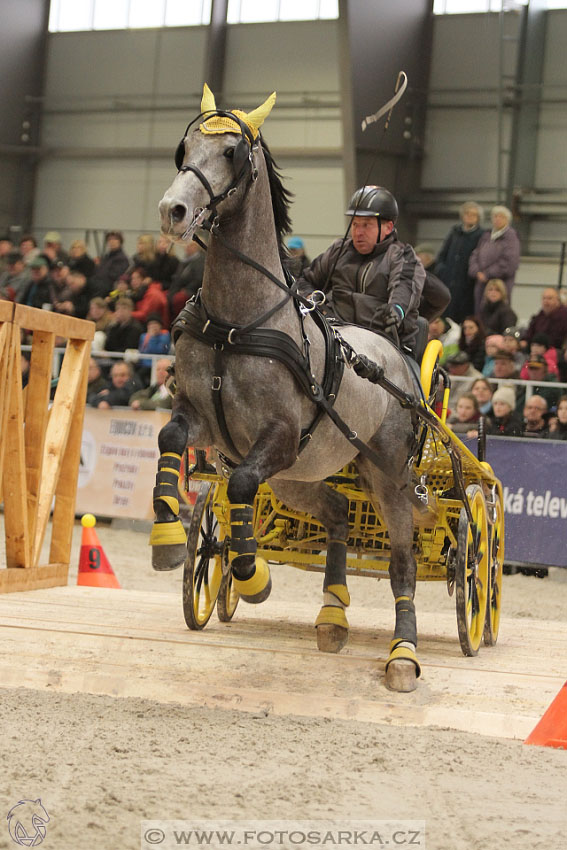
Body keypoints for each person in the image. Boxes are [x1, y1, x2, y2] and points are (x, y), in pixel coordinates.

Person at [297, 185, 438, 353]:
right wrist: (313, 300)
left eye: (366, 225)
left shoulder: (402, 256)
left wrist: (396, 310)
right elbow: (306, 280)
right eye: (355, 224)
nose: (358, 232)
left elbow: (404, 287)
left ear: (388, 227)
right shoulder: (338, 250)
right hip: (338, 338)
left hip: (386, 344)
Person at [433, 201, 484, 324]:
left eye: (473, 215)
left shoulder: (481, 236)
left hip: (467, 286)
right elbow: (442, 254)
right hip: (448, 282)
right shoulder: (454, 233)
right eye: (467, 213)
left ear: (478, 218)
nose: (470, 217)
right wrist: (442, 270)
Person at [469, 205, 520, 312]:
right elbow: (475, 254)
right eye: (495, 216)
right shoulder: (486, 235)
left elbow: (509, 262)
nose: (497, 219)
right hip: (481, 282)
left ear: (507, 220)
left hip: (500, 284)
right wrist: (476, 271)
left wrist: (487, 274)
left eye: (501, 217)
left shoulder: (511, 237)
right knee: (479, 311)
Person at [168, 240, 206, 321]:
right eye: (186, 246)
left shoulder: (200, 261)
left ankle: (179, 320)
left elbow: (198, 280)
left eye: (190, 246)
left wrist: (185, 290)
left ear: (196, 247)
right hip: (180, 288)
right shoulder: (184, 260)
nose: (187, 248)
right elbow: (177, 278)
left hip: (192, 290)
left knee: (178, 300)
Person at [90, 231, 130, 297]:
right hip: (99, 285)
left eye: (115, 239)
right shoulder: (107, 257)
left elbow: (112, 277)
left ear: (120, 242)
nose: (112, 241)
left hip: (108, 288)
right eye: (109, 239)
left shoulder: (121, 259)